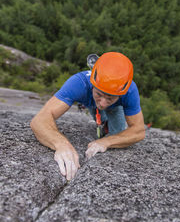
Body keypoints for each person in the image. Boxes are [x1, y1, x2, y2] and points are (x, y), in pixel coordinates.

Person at [30, 52, 145, 181]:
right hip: (89, 101)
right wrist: (61, 144)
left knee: (116, 132)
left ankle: (105, 121)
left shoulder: (130, 91)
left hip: (114, 107)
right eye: (99, 94)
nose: (102, 103)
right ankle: (102, 119)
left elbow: (139, 131)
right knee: (97, 111)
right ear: (93, 84)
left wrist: (106, 142)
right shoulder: (79, 83)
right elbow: (39, 120)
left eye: (109, 98)